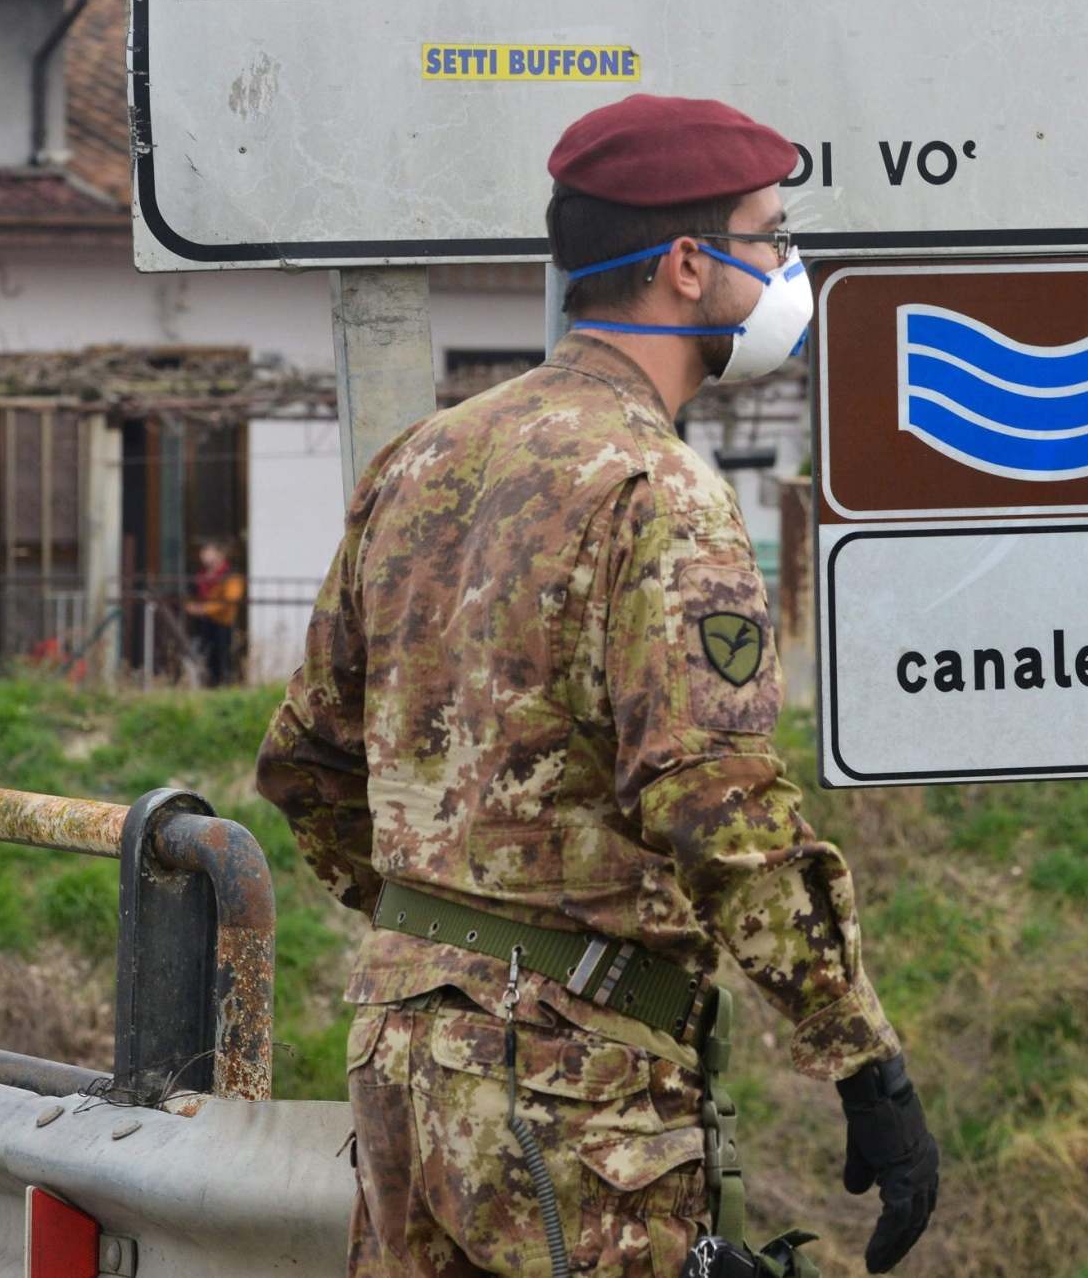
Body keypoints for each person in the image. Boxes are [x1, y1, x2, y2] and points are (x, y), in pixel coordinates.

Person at [257, 93, 939, 1278]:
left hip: (401, 1059)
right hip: (572, 1086)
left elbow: (304, 756)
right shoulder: (657, 488)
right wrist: (860, 1056)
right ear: (687, 264)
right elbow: (713, 801)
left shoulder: (426, 456)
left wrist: (441, 941)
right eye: (772, 237)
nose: (787, 267)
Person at [183, 539, 245, 685]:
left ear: (220, 554)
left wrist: (204, 609)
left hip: (223, 622)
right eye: (203, 552)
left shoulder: (232, 575)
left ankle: (224, 685)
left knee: (222, 657)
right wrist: (191, 606)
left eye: (208, 552)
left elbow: (231, 599)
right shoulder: (200, 575)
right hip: (203, 623)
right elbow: (191, 595)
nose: (203, 556)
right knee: (204, 656)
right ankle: (207, 684)